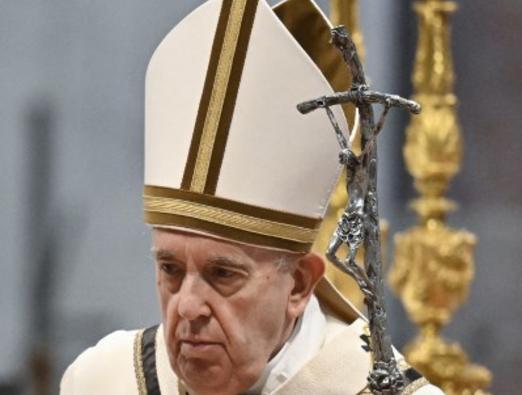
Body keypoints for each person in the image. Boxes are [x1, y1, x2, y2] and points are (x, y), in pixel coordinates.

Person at [60, 0, 443, 394]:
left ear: (298, 285)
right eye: (171, 270)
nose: (188, 307)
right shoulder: (104, 381)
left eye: (223, 274)